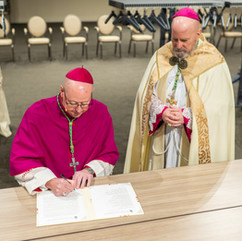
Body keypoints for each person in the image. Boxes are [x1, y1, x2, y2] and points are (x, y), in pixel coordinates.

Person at [124, 7, 235, 173]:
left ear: (198, 34)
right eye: (174, 39)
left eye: (184, 40)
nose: (178, 45)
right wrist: (160, 110)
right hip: (163, 132)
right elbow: (145, 94)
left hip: (190, 139)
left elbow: (220, 107)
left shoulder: (214, 61)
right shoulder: (161, 54)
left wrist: (188, 116)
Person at [10, 67, 119, 196]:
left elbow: (108, 153)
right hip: (50, 193)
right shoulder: (36, 114)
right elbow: (21, 160)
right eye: (72, 103)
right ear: (62, 91)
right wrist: (49, 181)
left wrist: (88, 171)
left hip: (86, 190)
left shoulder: (101, 112)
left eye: (84, 104)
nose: (78, 110)